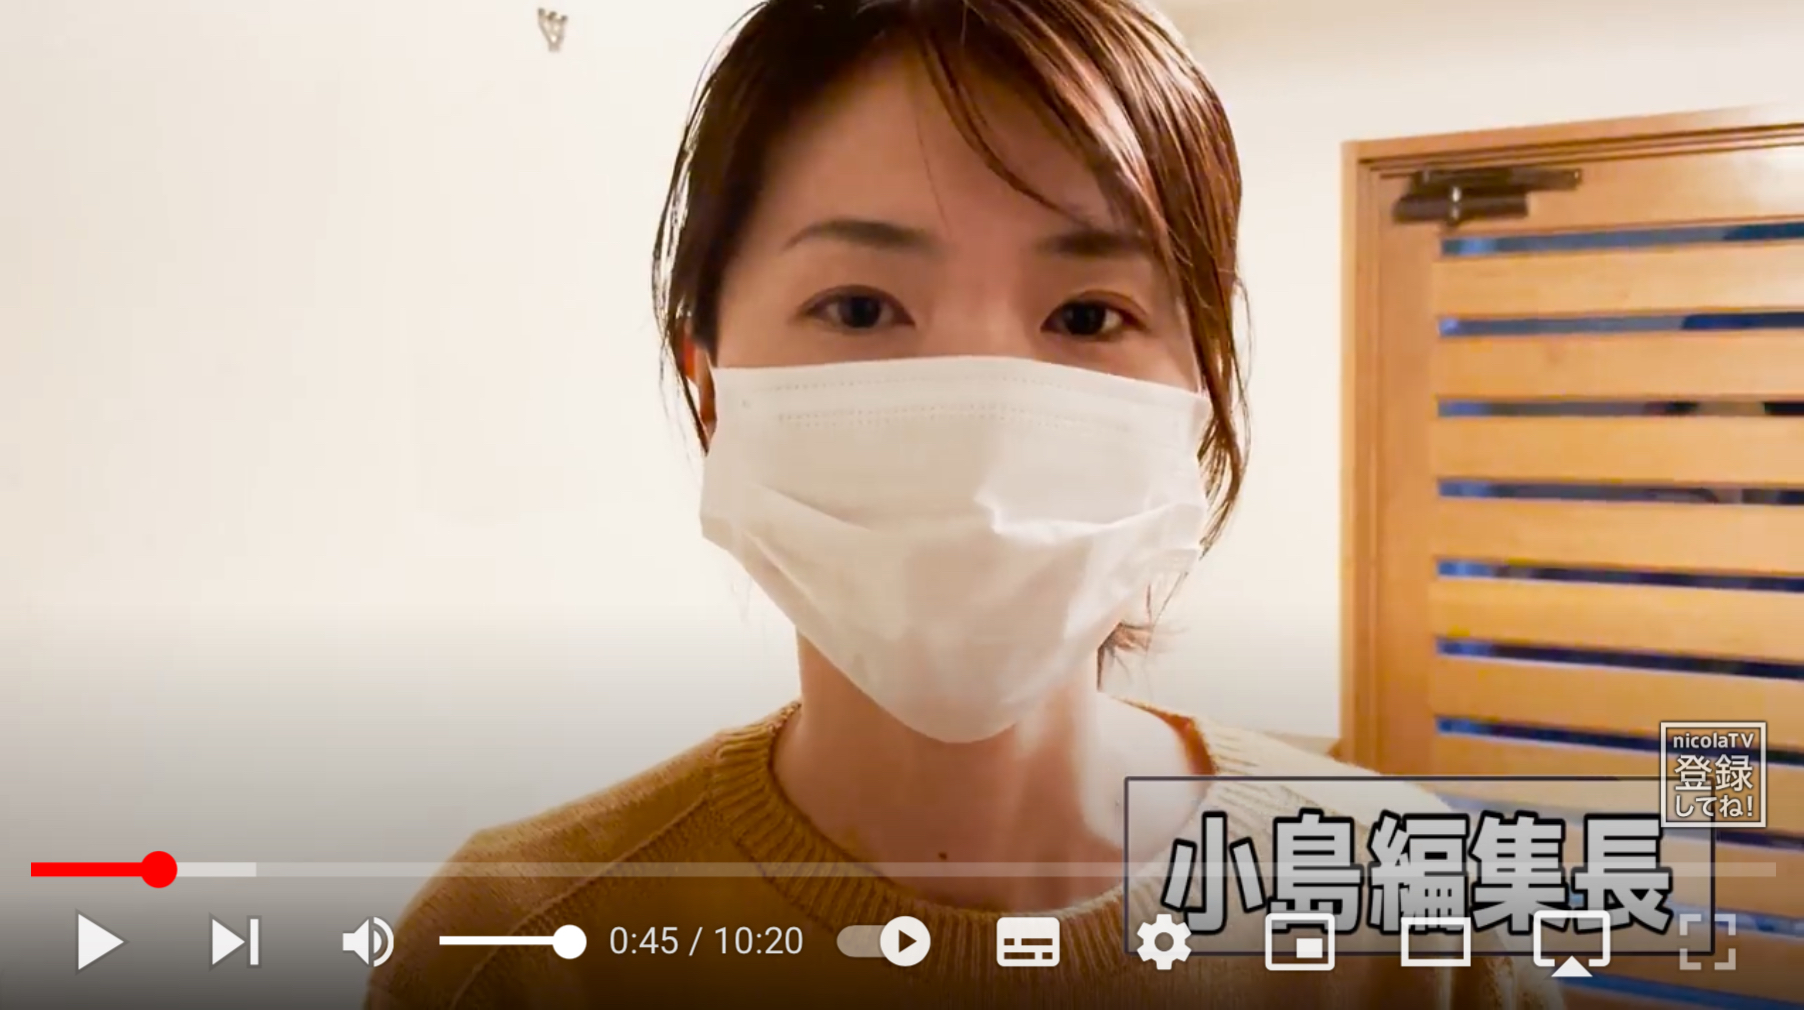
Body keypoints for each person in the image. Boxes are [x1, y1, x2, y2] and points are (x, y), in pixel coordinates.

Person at [366, 2, 1561, 1007]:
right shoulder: (511, 950)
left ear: (1195, 393)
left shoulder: (1417, 921)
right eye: (859, 307)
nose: (987, 424)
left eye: (1087, 315)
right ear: (710, 382)